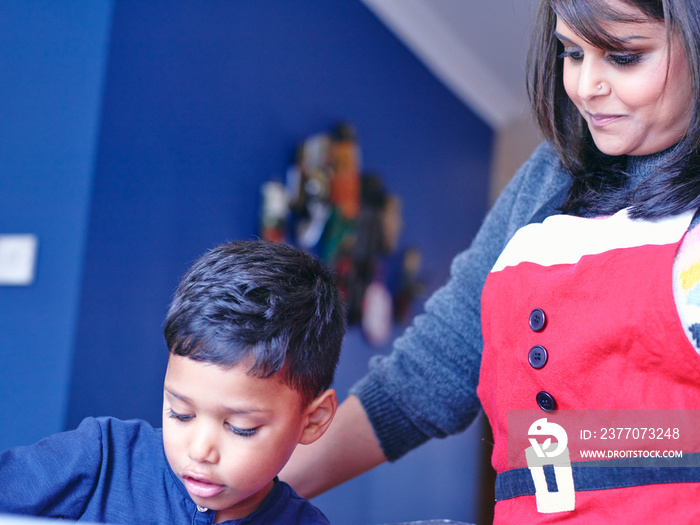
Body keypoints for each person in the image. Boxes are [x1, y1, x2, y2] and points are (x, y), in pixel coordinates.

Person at [280, 0, 700, 521]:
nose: (586, 85)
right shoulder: (551, 174)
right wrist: (251, 486)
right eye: (570, 52)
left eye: (624, 57)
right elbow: (436, 366)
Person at [0, 240, 345, 524]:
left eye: (241, 427)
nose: (199, 451)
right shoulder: (102, 457)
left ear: (312, 420)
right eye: (180, 413)